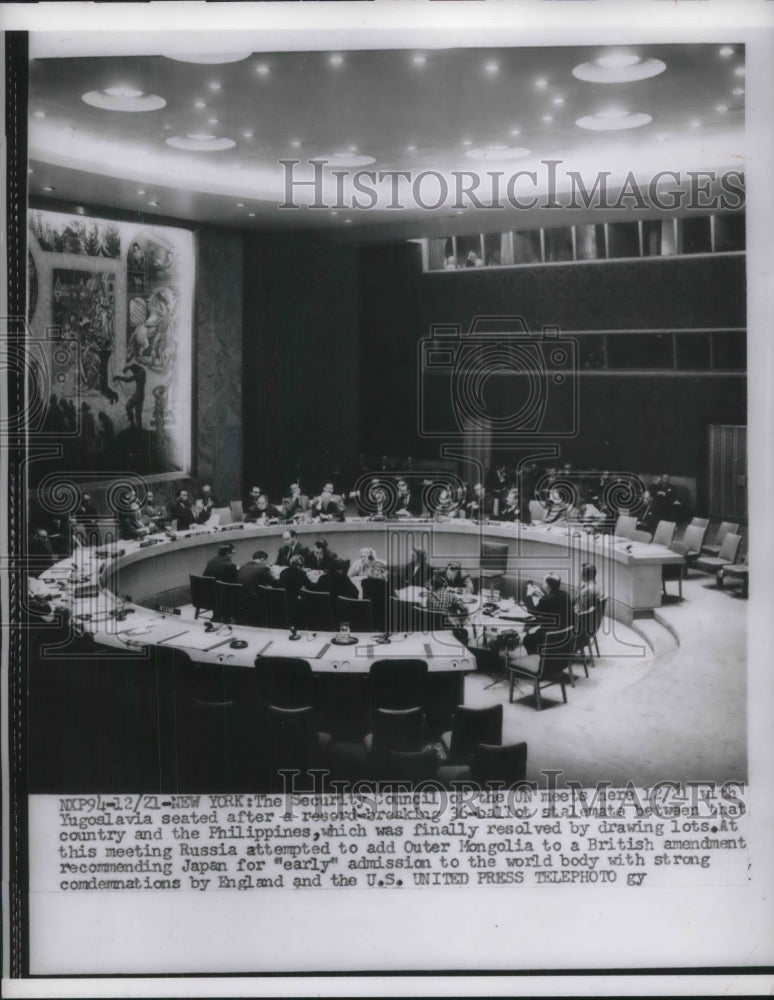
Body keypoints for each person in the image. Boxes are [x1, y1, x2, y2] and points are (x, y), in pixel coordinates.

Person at [523, 574, 572, 654]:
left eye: (543, 582)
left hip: (549, 636)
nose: (542, 583)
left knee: (527, 640)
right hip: (563, 633)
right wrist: (542, 593)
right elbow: (552, 602)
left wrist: (529, 595)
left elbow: (533, 612)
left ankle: (537, 657)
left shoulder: (545, 600)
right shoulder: (565, 594)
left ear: (547, 585)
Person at [426, 573, 469, 644]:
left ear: (433, 586)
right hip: (449, 627)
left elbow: (428, 609)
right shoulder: (450, 596)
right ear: (444, 585)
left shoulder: (429, 597)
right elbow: (464, 609)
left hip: (434, 628)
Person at [112, 362, 147, 430]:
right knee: (138, 415)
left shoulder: (138, 374)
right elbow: (133, 367)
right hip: (141, 395)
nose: (133, 373)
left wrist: (119, 377)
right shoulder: (142, 371)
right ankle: (139, 428)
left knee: (128, 407)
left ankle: (133, 424)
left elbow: (128, 380)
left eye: (133, 372)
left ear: (135, 370)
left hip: (137, 396)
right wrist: (128, 367)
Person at [361, 560, 391, 631]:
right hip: (383, 616)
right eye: (375, 568)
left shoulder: (364, 582)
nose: (377, 570)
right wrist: (383, 577)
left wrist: (371, 575)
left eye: (379, 569)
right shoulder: (385, 584)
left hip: (368, 614)